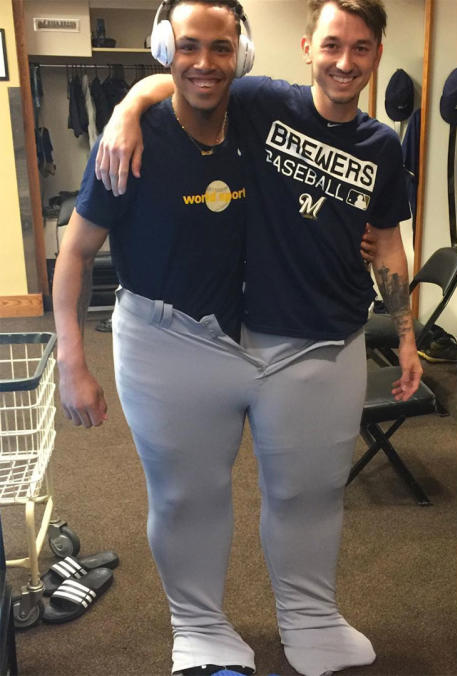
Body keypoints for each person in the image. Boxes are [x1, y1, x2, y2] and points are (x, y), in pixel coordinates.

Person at [60, 2, 420, 675]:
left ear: (376, 53)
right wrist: (124, 109)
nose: (345, 62)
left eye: (362, 48)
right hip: (197, 339)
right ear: (308, 47)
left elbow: (391, 245)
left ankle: (311, 619)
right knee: (187, 495)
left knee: (310, 494)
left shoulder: (381, 146)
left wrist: (404, 333)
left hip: (318, 342)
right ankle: (196, 628)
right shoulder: (263, 103)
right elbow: (181, 76)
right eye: (333, 45)